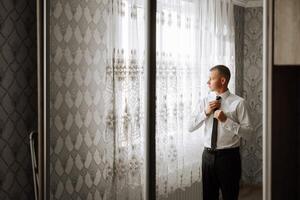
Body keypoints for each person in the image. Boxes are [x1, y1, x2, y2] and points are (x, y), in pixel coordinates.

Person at [189, 65, 252, 200]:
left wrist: (227, 121)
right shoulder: (204, 101)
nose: (208, 82)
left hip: (229, 158)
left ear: (222, 81)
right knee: (208, 197)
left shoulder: (239, 103)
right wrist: (205, 113)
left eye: (211, 79)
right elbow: (190, 127)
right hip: (207, 156)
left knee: (230, 196)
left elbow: (248, 133)